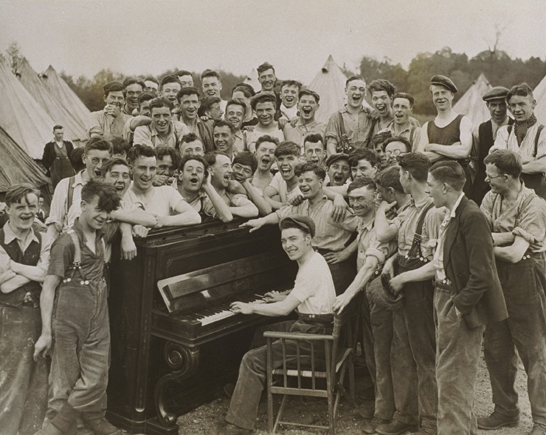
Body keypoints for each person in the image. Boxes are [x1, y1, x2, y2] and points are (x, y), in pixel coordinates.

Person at [391, 161, 508, 434]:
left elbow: (483, 274)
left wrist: (458, 307)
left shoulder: (471, 216)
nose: (427, 190)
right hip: (443, 298)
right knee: (452, 379)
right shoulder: (451, 213)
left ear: (445, 187)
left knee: (452, 380)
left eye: (430, 186)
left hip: (456, 303)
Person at [219, 215, 336, 434]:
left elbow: (284, 310)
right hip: (313, 327)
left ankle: (238, 426)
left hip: (314, 339)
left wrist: (251, 307)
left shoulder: (310, 268)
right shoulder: (314, 260)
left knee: (252, 359)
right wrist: (283, 296)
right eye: (284, 241)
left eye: (293, 239)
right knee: (261, 332)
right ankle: (254, 393)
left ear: (308, 239)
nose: (288, 246)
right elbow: (301, 296)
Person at [34, 181, 122, 435]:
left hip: (97, 315)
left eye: (108, 211)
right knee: (63, 381)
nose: (103, 216)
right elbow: (49, 288)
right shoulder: (66, 242)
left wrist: (123, 226)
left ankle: (61, 427)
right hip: (67, 317)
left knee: (97, 376)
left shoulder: (104, 231)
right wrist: (46, 333)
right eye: (99, 209)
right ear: (82, 206)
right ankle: (65, 426)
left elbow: (149, 219)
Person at [374, 153, 445, 435]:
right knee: (401, 353)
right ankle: (406, 415)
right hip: (403, 285)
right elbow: (405, 248)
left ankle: (431, 422)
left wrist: (403, 276)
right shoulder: (410, 209)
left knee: (426, 357)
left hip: (421, 290)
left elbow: (438, 262)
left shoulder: (434, 211)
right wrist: (392, 263)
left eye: (400, 173)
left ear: (406, 175)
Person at [478, 150, 546, 435]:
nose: (486, 180)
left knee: (533, 351)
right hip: (497, 277)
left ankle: (542, 419)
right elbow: (478, 229)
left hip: (526, 277)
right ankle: (506, 411)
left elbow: (517, 254)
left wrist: (485, 245)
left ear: (506, 177)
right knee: (495, 347)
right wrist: (508, 235)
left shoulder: (535, 204)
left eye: (491, 176)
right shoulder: (490, 197)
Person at [243, 163, 359, 295]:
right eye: (301, 181)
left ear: (320, 182)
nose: (303, 184)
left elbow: (366, 228)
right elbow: (280, 214)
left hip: (334, 268)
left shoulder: (335, 208)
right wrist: (261, 221)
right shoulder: (301, 204)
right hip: (310, 265)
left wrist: (346, 252)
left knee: (331, 311)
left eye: (309, 180)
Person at [0, 184, 52, 435]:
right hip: (7, 320)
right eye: (20, 206)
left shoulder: (43, 238)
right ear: (7, 209)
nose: (27, 212)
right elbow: (4, 286)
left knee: (38, 382)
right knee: (10, 382)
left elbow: (46, 273)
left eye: (32, 206)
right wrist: (37, 274)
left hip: (38, 318)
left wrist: (14, 267)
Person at [46, 138, 112, 240]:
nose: (100, 166)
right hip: (72, 247)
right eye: (95, 160)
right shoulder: (66, 185)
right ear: (84, 159)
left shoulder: (113, 186)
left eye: (105, 161)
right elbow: (54, 225)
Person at [417, 75, 473, 195]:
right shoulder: (427, 126)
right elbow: (421, 159)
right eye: (436, 94)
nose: (440, 97)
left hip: (458, 183)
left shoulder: (463, 121)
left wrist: (433, 147)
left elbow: (464, 151)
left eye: (444, 93)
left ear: (452, 95)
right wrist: (452, 149)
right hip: (435, 184)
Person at [489, 83, 546, 199]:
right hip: (508, 195)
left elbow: (543, 165)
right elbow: (497, 162)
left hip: (535, 194)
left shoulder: (542, 132)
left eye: (521, 104)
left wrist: (512, 164)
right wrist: (531, 160)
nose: (517, 109)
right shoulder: (504, 131)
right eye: (513, 105)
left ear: (533, 104)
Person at [123, 145, 201, 226]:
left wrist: (163, 221)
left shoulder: (167, 192)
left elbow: (195, 216)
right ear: (131, 169)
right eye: (142, 168)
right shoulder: (123, 192)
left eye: (152, 168)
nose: (147, 174)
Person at [470, 86, 513, 205]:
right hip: (482, 188)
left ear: (508, 105)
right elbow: (474, 161)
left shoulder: (515, 127)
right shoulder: (479, 130)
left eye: (502, 104)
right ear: (487, 106)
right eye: (494, 105)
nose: (498, 109)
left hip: (509, 189)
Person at [325, 75, 375, 155]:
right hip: (345, 163)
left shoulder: (372, 114)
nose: (357, 92)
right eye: (353, 88)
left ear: (365, 93)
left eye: (361, 89)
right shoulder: (336, 117)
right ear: (346, 91)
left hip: (366, 164)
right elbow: (331, 146)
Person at [175, 154, 233, 221]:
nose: (194, 172)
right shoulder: (168, 190)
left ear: (204, 176)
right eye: (189, 170)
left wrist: (207, 185)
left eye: (199, 171)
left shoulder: (204, 200)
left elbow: (227, 217)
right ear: (180, 175)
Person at [202, 152, 259, 219]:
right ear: (210, 170)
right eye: (225, 166)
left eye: (230, 166)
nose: (231, 170)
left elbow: (253, 210)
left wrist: (226, 209)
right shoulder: (201, 195)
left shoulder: (231, 193)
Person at [264, 141, 302, 210]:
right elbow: (265, 195)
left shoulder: (305, 183)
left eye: (290, 159)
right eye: (280, 159)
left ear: (299, 160)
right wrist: (281, 205)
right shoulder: (279, 176)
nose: (284, 163)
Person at [177, 87, 215, 152]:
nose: (191, 106)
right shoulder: (174, 127)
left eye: (194, 102)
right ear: (179, 106)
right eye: (186, 102)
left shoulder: (208, 125)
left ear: (199, 104)